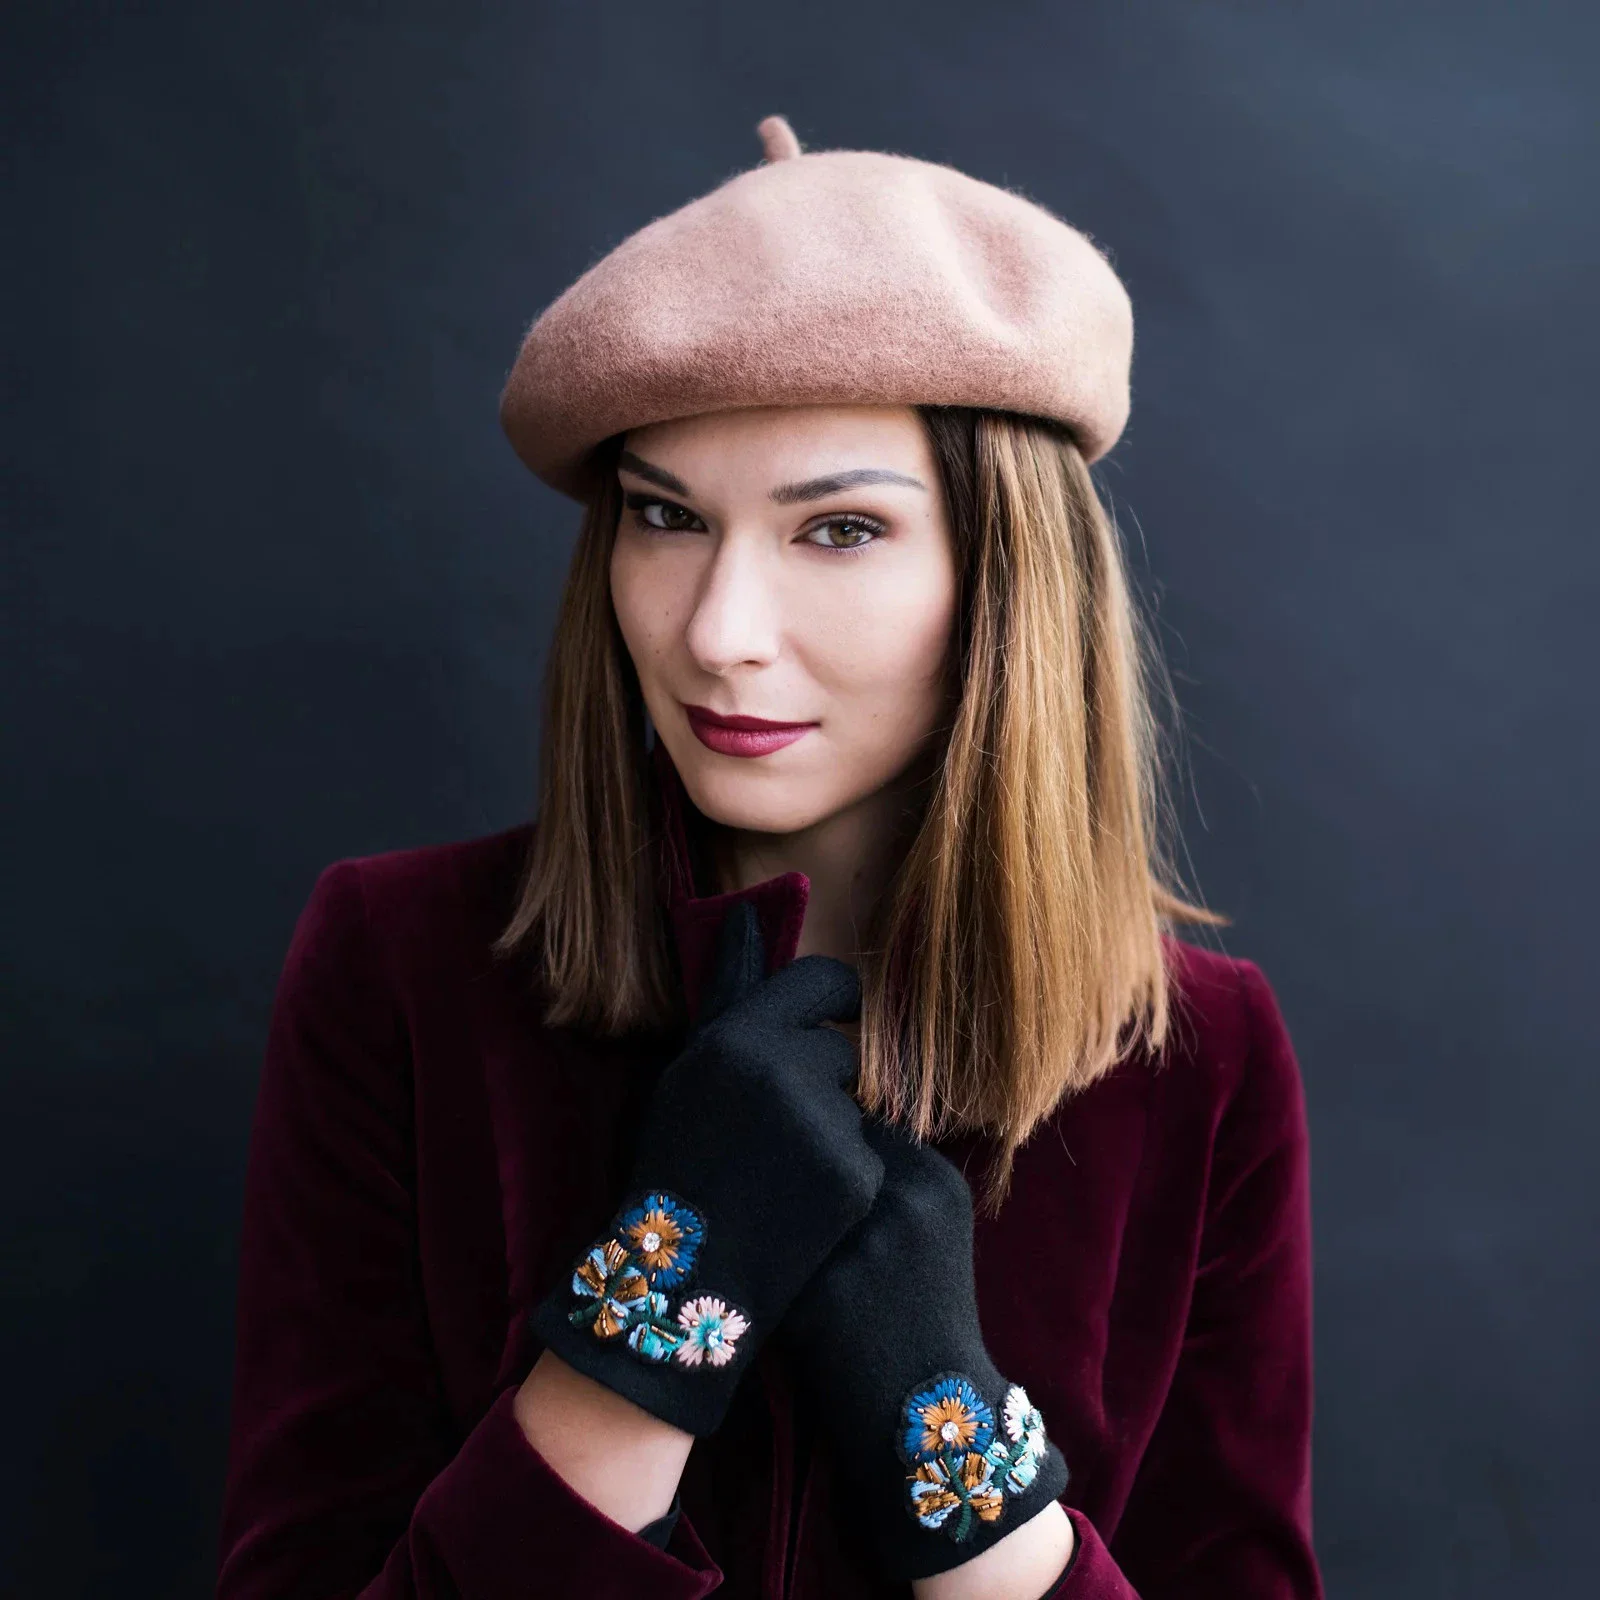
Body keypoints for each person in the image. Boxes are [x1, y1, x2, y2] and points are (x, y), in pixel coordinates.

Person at [216, 116, 1324, 1599]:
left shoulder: (1198, 1052)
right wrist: (652, 1317)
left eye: (841, 529)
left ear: (1008, 576)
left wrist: (948, 1429)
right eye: (665, 516)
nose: (718, 629)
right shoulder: (402, 964)